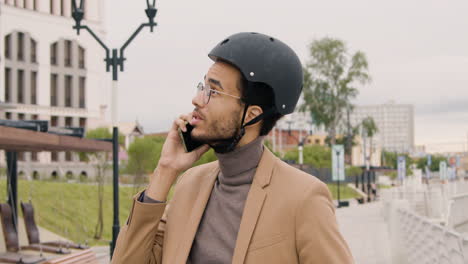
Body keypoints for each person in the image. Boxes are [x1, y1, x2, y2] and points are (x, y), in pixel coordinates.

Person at [111, 32, 354, 264]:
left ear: (252, 115)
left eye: (213, 91)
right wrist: (165, 171)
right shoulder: (189, 185)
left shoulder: (304, 198)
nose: (197, 99)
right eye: (202, 86)